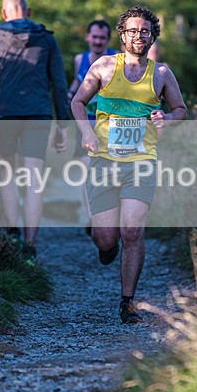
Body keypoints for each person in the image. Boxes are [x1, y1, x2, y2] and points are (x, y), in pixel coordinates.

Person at [71, 5, 187, 323]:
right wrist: (86, 134)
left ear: (152, 37)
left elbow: (181, 109)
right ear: (122, 34)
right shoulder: (104, 67)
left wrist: (168, 117)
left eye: (145, 31)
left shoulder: (161, 74)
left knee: (132, 231)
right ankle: (105, 247)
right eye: (133, 30)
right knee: (107, 238)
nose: (139, 35)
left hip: (142, 161)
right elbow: (77, 102)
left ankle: (127, 302)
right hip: (104, 161)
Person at [0, 0, 70, 246]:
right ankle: (30, 246)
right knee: (34, 180)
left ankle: (13, 236)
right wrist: (63, 125)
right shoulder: (47, 38)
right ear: (28, 12)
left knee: (6, 175)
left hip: (3, 113)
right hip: (38, 114)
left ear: (4, 12)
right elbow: (59, 84)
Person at [67, 19, 119, 233]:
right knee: (87, 170)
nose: (97, 42)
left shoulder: (117, 59)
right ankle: (92, 217)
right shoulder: (80, 59)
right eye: (94, 37)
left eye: (102, 38)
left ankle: (113, 216)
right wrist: (69, 95)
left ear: (108, 40)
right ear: (88, 37)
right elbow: (78, 84)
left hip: (112, 123)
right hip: (86, 121)